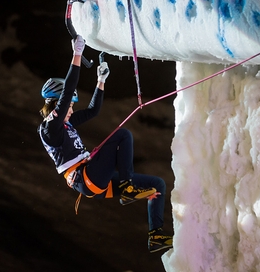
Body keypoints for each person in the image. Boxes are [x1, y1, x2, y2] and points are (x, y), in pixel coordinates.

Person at [38, 35, 172, 253]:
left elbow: (93, 111)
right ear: (57, 103)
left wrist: (101, 81)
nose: (71, 110)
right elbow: (70, 85)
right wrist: (77, 54)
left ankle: (155, 235)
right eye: (69, 104)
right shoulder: (50, 128)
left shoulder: (66, 123)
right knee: (123, 135)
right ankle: (128, 188)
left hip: (95, 180)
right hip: (87, 177)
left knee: (157, 185)